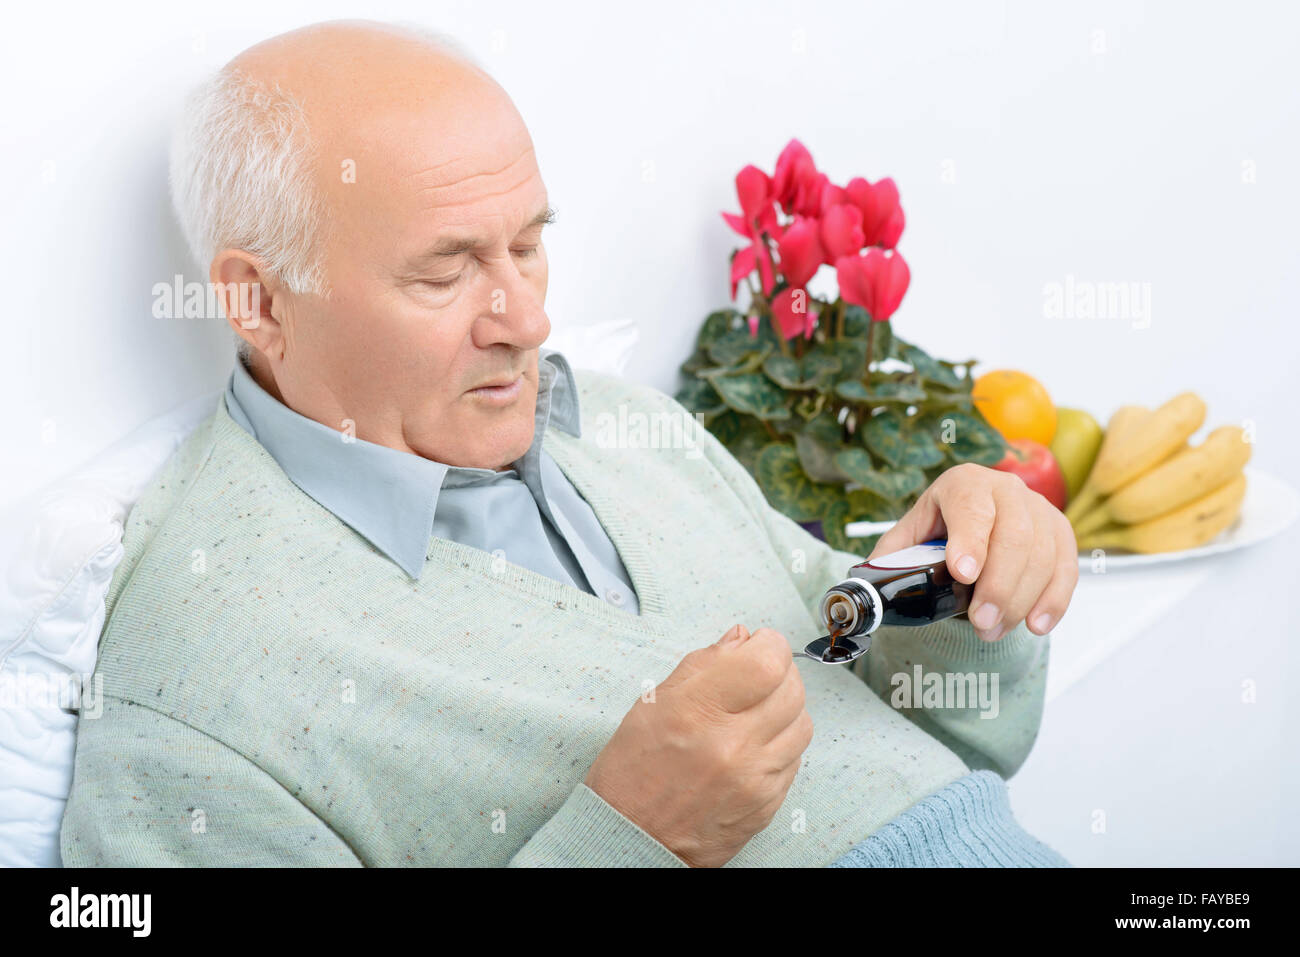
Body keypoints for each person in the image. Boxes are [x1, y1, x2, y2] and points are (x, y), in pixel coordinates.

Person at [60, 20, 1077, 867]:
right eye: (444, 272)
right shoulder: (192, 690)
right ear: (256, 300)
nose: (526, 321)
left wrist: (955, 594)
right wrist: (627, 837)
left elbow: (929, 739)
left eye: (529, 244)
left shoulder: (629, 432)